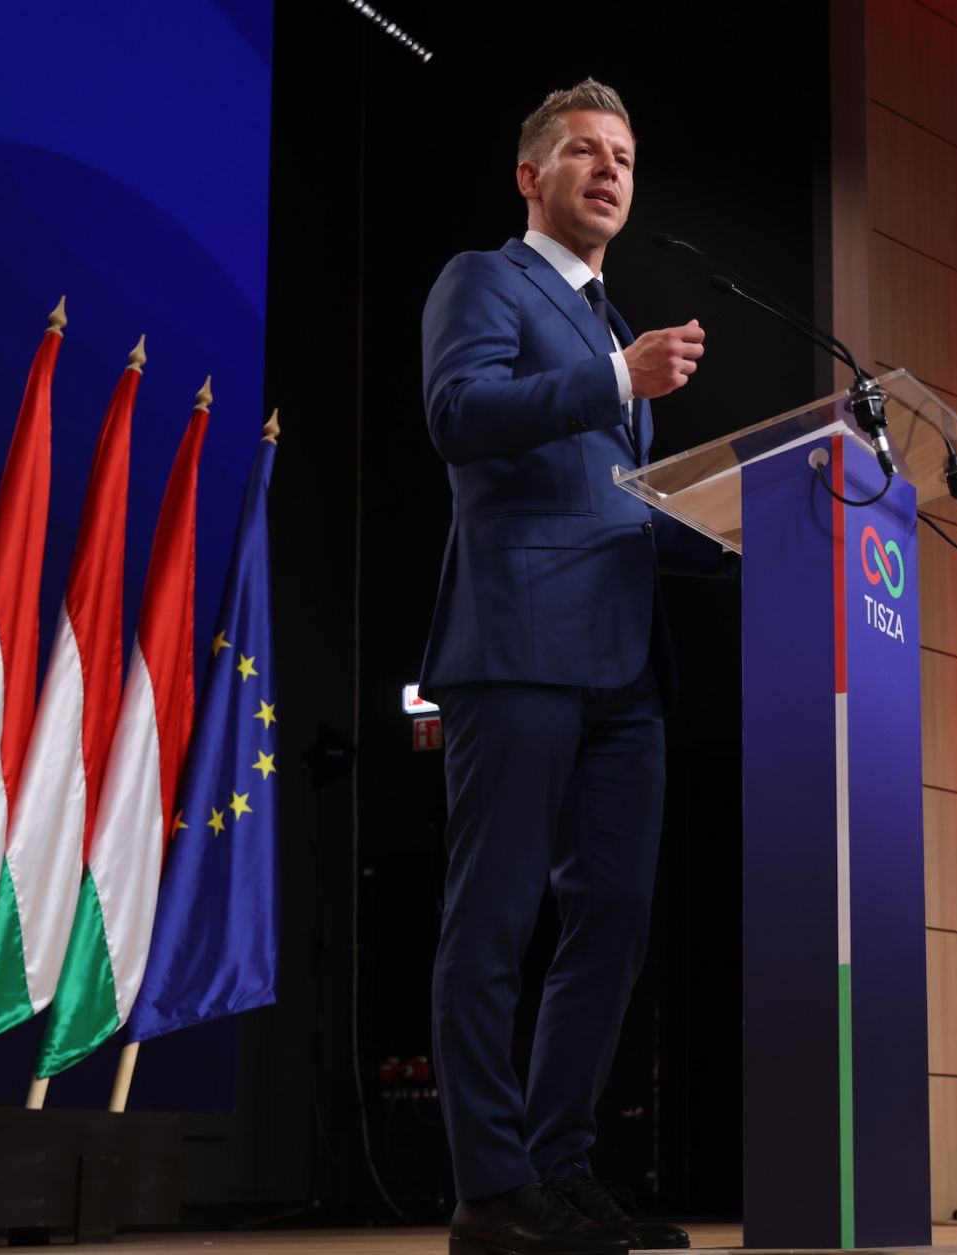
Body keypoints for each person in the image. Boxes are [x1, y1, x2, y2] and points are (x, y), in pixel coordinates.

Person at [420, 79, 721, 1255]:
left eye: (627, 157)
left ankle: (560, 1166)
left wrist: (759, 531)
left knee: (615, 917)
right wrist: (614, 383)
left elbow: (620, 507)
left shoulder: (612, 321)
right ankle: (491, 1191)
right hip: (519, 646)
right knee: (493, 920)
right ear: (530, 176)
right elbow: (458, 413)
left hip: (625, 663)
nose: (610, 171)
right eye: (586, 152)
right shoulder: (485, 280)